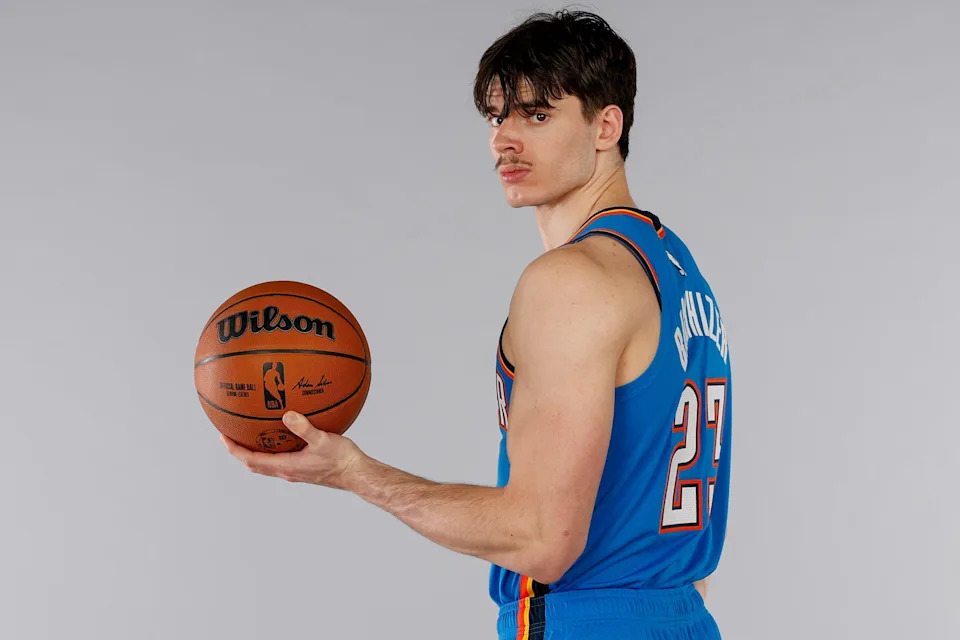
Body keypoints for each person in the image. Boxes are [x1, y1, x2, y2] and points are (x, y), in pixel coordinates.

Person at [221, 9, 732, 640]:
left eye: (537, 115)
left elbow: (542, 541)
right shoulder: (676, 269)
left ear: (607, 125)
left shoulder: (570, 281)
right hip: (682, 618)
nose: (504, 140)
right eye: (497, 117)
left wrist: (356, 473)